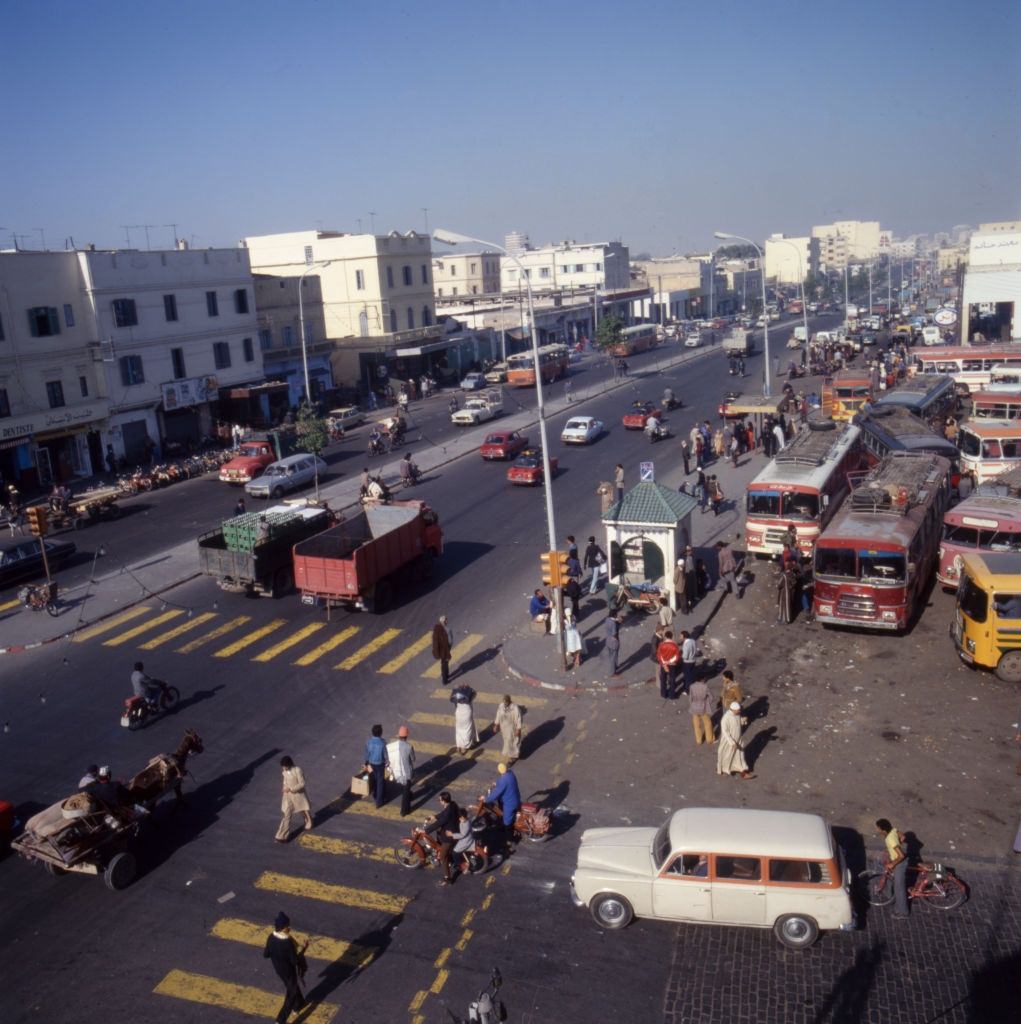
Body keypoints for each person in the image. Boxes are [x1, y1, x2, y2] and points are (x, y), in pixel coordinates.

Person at [263, 912, 308, 1024]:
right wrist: (304, 949)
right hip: (289, 972)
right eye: (288, 926)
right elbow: (294, 961)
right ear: (283, 928)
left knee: (291, 986)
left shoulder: (270, 938)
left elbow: (266, 954)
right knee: (291, 994)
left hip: (279, 970)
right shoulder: (287, 942)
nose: (289, 928)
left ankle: (299, 1004)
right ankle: (280, 1020)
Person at [424, 790, 460, 886]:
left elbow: (440, 822)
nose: (439, 801)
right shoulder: (452, 804)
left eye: (439, 800)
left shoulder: (448, 812)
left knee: (443, 856)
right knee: (439, 833)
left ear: (444, 801)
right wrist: (435, 816)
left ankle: (447, 878)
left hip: (449, 837)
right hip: (455, 828)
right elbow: (443, 814)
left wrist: (425, 831)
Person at [876, 818, 909, 918]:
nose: (877, 830)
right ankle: (888, 894)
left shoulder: (890, 839)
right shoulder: (893, 830)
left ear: (883, 830)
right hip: (895, 858)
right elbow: (903, 836)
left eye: (878, 828)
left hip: (900, 863)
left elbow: (901, 856)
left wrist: (893, 864)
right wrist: (897, 844)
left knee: (899, 888)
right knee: (889, 875)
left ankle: (903, 912)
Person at [275, 755, 313, 842]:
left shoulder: (297, 770)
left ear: (289, 764)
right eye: (283, 766)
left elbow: (302, 783)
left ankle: (308, 819)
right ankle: (281, 836)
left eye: (285, 766)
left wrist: (291, 789)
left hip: (298, 795)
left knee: (303, 809)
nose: (284, 768)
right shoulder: (284, 771)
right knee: (287, 815)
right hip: (288, 796)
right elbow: (285, 781)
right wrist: (284, 788)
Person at [484, 762, 522, 832]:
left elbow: (495, 794)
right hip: (516, 797)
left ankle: (510, 838)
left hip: (510, 803)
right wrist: (496, 783)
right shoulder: (510, 773)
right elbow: (502, 781)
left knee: (507, 822)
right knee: (500, 801)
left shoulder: (503, 781)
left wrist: (486, 799)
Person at [389, 725, 416, 818]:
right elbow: (413, 759)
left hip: (396, 771)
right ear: (406, 736)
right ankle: (404, 811)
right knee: (406, 790)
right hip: (406, 773)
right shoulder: (409, 747)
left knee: (406, 789)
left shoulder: (392, 746)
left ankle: (410, 795)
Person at [363, 724, 388, 808]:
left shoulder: (368, 742)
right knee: (380, 781)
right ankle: (379, 802)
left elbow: (367, 754)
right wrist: (387, 762)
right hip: (380, 764)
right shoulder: (383, 742)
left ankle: (374, 794)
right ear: (381, 733)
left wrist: (366, 763)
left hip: (371, 763)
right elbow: (385, 755)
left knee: (373, 778)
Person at [450, 682, 478, 754]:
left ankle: (459, 746)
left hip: (459, 713)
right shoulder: (468, 696)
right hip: (467, 713)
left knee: (459, 730)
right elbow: (475, 693)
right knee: (467, 730)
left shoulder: (456, 697)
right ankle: (464, 747)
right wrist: (468, 688)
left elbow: (453, 700)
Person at [493, 695, 523, 761]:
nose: (505, 703)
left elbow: (519, 719)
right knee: (506, 740)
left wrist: (518, 729)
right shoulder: (501, 706)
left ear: (509, 701)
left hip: (512, 728)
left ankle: (512, 756)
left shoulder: (515, 708)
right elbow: (498, 715)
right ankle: (507, 752)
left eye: (506, 702)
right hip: (504, 727)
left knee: (511, 740)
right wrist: (496, 725)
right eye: (504, 702)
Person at [688, 677, 715, 745]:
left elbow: (690, 698)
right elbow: (711, 697)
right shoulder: (705, 687)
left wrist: (693, 704)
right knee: (707, 723)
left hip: (694, 707)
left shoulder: (692, 686)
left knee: (696, 725)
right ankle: (709, 739)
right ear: (702, 679)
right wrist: (707, 703)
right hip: (703, 707)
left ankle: (699, 740)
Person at [656, 629, 680, 699]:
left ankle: (663, 694)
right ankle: (672, 695)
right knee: (672, 680)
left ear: (665, 637)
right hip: (672, 665)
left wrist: (664, 663)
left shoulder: (661, 645)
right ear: (671, 637)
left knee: (663, 679)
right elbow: (677, 656)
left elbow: (659, 655)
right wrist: (670, 661)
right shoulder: (675, 646)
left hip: (663, 665)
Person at [432, 615, 453, 684]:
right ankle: (445, 679)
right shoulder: (448, 629)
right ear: (443, 622)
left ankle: (445, 675)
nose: (447, 621)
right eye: (446, 620)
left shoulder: (436, 628)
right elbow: (450, 641)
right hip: (445, 649)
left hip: (439, 650)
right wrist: (449, 648)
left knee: (444, 663)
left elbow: (434, 640)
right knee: (445, 663)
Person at [604, 611, 621, 676]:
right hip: (613, 642)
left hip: (608, 642)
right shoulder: (613, 623)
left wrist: (617, 621)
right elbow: (614, 634)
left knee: (612, 656)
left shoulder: (607, 619)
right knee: (613, 658)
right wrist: (617, 639)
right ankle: (612, 673)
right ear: (615, 615)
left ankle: (615, 666)